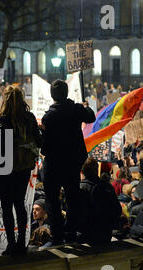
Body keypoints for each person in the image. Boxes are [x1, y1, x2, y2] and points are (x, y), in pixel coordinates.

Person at [41, 79, 95, 245]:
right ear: (67, 93)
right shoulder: (76, 109)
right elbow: (91, 116)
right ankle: (71, 232)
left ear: (52, 96)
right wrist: (85, 106)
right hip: (72, 163)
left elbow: (45, 145)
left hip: (54, 164)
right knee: (72, 198)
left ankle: (57, 235)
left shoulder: (48, 117)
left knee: (52, 200)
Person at [0, 85, 43, 256]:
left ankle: (11, 243)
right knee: (20, 204)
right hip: (23, 167)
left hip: (5, 170)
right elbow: (40, 141)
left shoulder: (3, 120)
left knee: (6, 207)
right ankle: (22, 241)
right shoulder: (29, 118)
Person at [78, 157, 122, 245]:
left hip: (86, 234)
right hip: (105, 232)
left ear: (82, 171)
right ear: (96, 169)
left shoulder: (80, 188)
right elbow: (118, 209)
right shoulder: (108, 187)